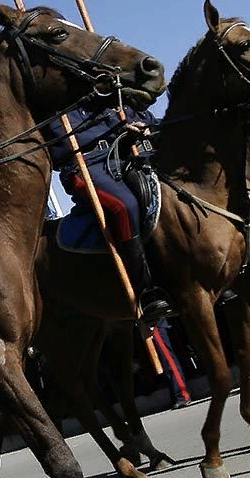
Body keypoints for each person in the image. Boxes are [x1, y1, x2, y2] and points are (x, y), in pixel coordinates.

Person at [44, 102, 173, 322]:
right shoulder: (56, 108)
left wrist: (144, 128)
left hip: (118, 159)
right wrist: (117, 131)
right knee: (124, 206)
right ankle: (145, 291)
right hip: (83, 167)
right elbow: (63, 146)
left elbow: (145, 120)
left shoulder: (106, 99)